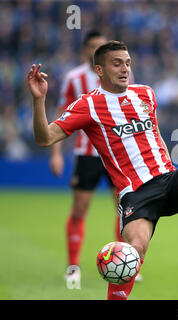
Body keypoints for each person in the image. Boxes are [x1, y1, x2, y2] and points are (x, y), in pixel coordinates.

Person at [27, 40, 178, 300]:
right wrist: (39, 100)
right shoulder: (88, 105)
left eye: (127, 63)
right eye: (116, 64)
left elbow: (155, 138)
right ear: (99, 70)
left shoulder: (145, 93)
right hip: (135, 195)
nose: (125, 68)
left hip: (168, 180)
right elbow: (45, 139)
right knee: (132, 254)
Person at [48, 30, 121, 289]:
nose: (95, 50)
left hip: (117, 154)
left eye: (100, 47)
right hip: (87, 154)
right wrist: (56, 153)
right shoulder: (74, 77)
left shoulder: (121, 74)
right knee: (80, 210)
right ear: (85, 50)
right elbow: (62, 115)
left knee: (125, 210)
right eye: (92, 46)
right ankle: (73, 266)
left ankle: (127, 263)